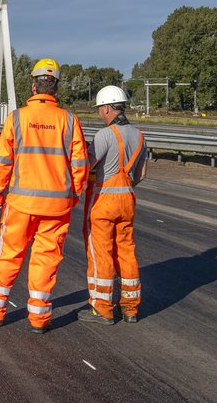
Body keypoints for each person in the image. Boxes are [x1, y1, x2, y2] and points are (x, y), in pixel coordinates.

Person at [0, 58, 89, 334]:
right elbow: (80, 165)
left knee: (9, 255)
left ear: (34, 85)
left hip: (21, 203)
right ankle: (39, 318)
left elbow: (2, 161)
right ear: (55, 87)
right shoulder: (69, 120)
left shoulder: (17, 118)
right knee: (47, 259)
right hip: (58, 205)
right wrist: (73, 196)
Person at [78, 85, 147, 325]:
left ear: (107, 108)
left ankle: (102, 308)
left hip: (103, 201)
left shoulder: (104, 135)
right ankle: (130, 308)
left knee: (101, 254)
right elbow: (141, 174)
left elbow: (86, 165)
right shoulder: (139, 136)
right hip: (127, 200)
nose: (99, 113)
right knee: (126, 252)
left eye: (100, 109)